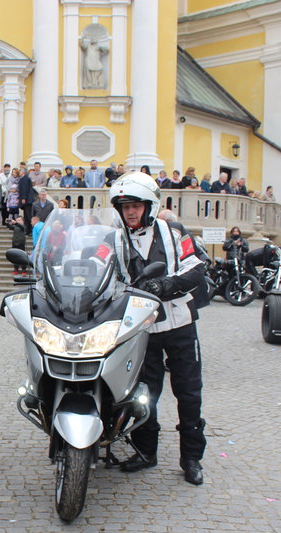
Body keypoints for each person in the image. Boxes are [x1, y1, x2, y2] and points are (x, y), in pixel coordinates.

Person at [108, 172, 207, 486]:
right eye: (125, 207)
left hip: (179, 323)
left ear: (149, 205)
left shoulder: (173, 231)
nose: (130, 212)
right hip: (141, 329)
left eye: (136, 205)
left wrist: (168, 284)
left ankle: (191, 458)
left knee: (189, 393)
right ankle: (146, 451)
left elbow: (197, 268)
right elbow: (98, 267)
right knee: (143, 394)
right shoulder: (114, 237)